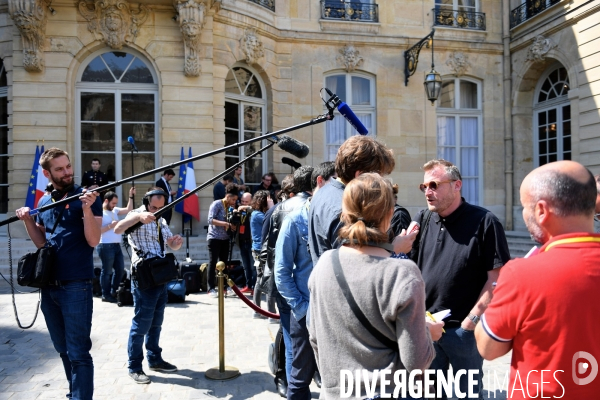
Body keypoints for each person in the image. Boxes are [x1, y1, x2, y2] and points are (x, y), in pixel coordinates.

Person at [308, 173, 444, 399]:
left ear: (345, 213)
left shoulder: (324, 263)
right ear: (390, 214)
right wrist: (429, 334)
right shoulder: (402, 273)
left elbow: (315, 337)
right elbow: (417, 362)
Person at [475, 160, 600, 399]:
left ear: (541, 211)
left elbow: (488, 348)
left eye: (525, 206)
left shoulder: (522, 274)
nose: (524, 214)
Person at [409, 159, 511, 399]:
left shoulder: (485, 222)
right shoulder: (422, 219)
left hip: (463, 333)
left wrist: (470, 323)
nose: (428, 192)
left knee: (469, 395)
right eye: (424, 187)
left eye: (434, 185)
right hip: (427, 329)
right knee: (429, 395)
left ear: (457, 185)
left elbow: (497, 279)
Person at [15, 147, 102, 400]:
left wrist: (87, 209)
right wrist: (28, 220)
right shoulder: (43, 201)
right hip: (48, 285)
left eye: (68, 166)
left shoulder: (85, 196)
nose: (67, 172)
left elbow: (94, 240)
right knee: (63, 349)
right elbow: (43, 243)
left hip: (76, 285)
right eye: (60, 169)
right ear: (46, 173)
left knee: (78, 353)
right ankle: (75, 391)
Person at [276, 162, 339, 399]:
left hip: (334, 311)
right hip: (306, 310)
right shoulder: (294, 220)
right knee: (300, 377)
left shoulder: (341, 216)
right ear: (320, 184)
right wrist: (302, 310)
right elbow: (282, 272)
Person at [308, 135, 415, 268]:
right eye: (379, 176)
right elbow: (355, 266)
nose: (381, 182)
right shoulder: (344, 208)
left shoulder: (324, 192)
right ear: (360, 175)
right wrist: (395, 250)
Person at [114, 188, 183, 384]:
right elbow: (118, 228)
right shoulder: (136, 214)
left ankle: (154, 359)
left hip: (160, 275)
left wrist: (175, 242)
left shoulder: (160, 219)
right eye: (153, 207)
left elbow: (171, 245)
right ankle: (134, 366)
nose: (156, 210)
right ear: (146, 202)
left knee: (156, 322)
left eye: (160, 208)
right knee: (141, 323)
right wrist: (139, 217)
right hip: (144, 276)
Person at [262, 166, 314, 397]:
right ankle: (291, 381)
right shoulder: (286, 212)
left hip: (285, 283)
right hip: (290, 285)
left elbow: (263, 249)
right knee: (293, 338)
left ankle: (289, 379)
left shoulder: (278, 209)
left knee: (291, 338)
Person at [97, 187, 136, 303]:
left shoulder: (114, 210)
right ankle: (105, 294)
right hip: (105, 245)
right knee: (107, 271)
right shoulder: (100, 212)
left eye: (116, 203)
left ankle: (114, 291)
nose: (114, 205)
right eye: (113, 203)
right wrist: (110, 226)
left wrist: (130, 196)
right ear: (106, 201)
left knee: (120, 269)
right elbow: (97, 231)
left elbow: (129, 209)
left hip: (116, 244)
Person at [206, 183, 239, 297]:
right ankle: (210, 288)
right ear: (228, 196)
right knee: (213, 262)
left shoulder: (231, 208)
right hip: (214, 237)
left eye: (236, 200)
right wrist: (226, 223)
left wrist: (233, 225)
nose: (234, 202)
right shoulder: (217, 204)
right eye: (233, 199)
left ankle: (225, 286)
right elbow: (210, 220)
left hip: (225, 238)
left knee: (224, 263)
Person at [250, 189, 275, 318]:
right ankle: (269, 312)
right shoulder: (258, 215)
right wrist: (272, 208)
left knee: (261, 278)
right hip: (261, 250)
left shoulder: (257, 214)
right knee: (265, 279)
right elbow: (272, 219)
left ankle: (258, 309)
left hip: (260, 250)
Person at [237, 192, 254, 293]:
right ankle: (248, 285)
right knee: (246, 266)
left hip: (251, 243)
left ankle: (255, 287)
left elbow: (254, 209)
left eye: (246, 202)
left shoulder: (253, 210)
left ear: (251, 201)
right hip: (242, 242)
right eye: (242, 201)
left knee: (253, 267)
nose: (243, 204)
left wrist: (245, 207)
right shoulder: (239, 211)